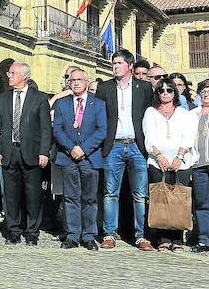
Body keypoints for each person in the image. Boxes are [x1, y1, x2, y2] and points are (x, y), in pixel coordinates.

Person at [95, 49, 155, 251]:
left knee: (140, 193)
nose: (115, 66)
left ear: (130, 66)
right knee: (110, 192)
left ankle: (141, 235)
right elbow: (100, 117)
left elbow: (150, 116)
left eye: (119, 63)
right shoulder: (104, 88)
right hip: (114, 145)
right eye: (113, 63)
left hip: (137, 145)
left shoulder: (144, 88)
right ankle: (110, 233)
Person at [0, 62, 52, 246]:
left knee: (33, 195)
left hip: (32, 153)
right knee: (11, 196)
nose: (9, 76)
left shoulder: (39, 98)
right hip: (9, 152)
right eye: (9, 73)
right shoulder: (2, 99)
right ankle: (14, 231)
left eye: (13, 73)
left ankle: (32, 232)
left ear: (24, 76)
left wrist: (44, 152)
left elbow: (45, 128)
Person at [52, 67, 107, 250]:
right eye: (72, 80)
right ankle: (73, 235)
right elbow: (57, 129)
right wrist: (70, 148)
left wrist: (83, 149)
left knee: (90, 198)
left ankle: (89, 235)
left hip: (90, 157)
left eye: (79, 80)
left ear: (86, 82)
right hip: (68, 158)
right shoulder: (62, 104)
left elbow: (102, 130)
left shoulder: (98, 104)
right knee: (70, 197)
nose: (75, 82)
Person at [143, 78, 195, 251]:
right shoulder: (150, 112)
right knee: (161, 200)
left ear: (175, 92)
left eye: (169, 90)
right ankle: (163, 238)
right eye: (161, 90)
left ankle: (178, 238)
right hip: (158, 161)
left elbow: (188, 136)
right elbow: (148, 136)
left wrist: (179, 156)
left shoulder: (183, 113)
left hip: (181, 161)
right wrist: (159, 156)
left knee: (179, 199)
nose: (165, 93)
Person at [189, 79, 209, 252]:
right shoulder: (193, 114)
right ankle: (204, 239)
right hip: (198, 163)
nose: (207, 95)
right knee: (202, 202)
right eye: (203, 92)